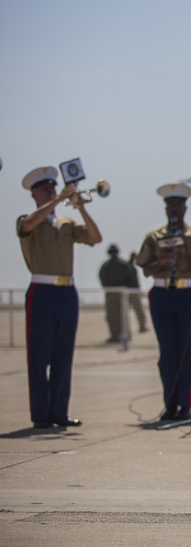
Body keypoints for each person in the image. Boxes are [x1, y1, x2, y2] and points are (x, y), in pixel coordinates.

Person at [17, 166, 102, 428]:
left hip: (67, 292)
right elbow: (28, 225)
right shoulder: (27, 218)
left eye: (53, 187)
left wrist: (80, 208)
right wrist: (58, 200)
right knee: (39, 356)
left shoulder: (66, 223)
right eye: (45, 189)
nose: (52, 191)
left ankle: (59, 412)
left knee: (64, 355)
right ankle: (41, 415)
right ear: (34, 194)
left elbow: (95, 237)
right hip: (42, 291)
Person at [136, 183, 191, 421]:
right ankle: (170, 404)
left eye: (178, 204)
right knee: (167, 353)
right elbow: (145, 268)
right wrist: (162, 259)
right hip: (162, 294)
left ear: (185, 208)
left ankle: (186, 405)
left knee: (185, 353)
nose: (174, 209)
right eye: (170, 205)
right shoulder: (155, 237)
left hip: (187, 293)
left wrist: (189, 253)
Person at [98, 244, 132, 344]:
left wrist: (107, 287)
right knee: (120, 314)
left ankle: (116, 335)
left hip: (113, 292)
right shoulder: (123, 264)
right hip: (119, 292)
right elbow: (130, 277)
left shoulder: (107, 265)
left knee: (115, 315)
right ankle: (122, 335)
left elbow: (102, 277)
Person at [125, 251, 148, 333]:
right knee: (128, 311)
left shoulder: (131, 267)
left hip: (134, 292)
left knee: (139, 310)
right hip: (130, 292)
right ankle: (127, 330)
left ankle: (142, 326)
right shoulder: (128, 266)